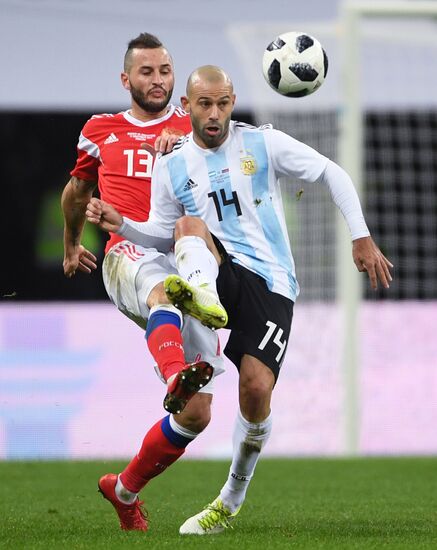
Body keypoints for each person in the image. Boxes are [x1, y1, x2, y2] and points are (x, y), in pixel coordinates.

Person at [86, 65, 393, 535]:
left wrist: (361, 236)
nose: (215, 114)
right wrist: (120, 224)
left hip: (269, 280)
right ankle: (201, 298)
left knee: (255, 391)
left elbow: (331, 172)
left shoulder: (261, 143)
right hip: (209, 272)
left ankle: (227, 500)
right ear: (186, 108)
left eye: (223, 103)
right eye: (204, 104)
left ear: (232, 102)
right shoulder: (171, 164)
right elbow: (159, 236)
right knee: (187, 229)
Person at [61, 38, 227, 533]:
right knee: (163, 292)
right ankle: (175, 370)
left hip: (183, 256)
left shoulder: (194, 127)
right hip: (127, 255)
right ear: (126, 80)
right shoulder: (99, 131)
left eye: (165, 70)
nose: (158, 79)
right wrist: (72, 244)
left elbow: (225, 182)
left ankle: (124, 489)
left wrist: (189, 150)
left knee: (197, 415)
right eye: (147, 71)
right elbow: (77, 191)